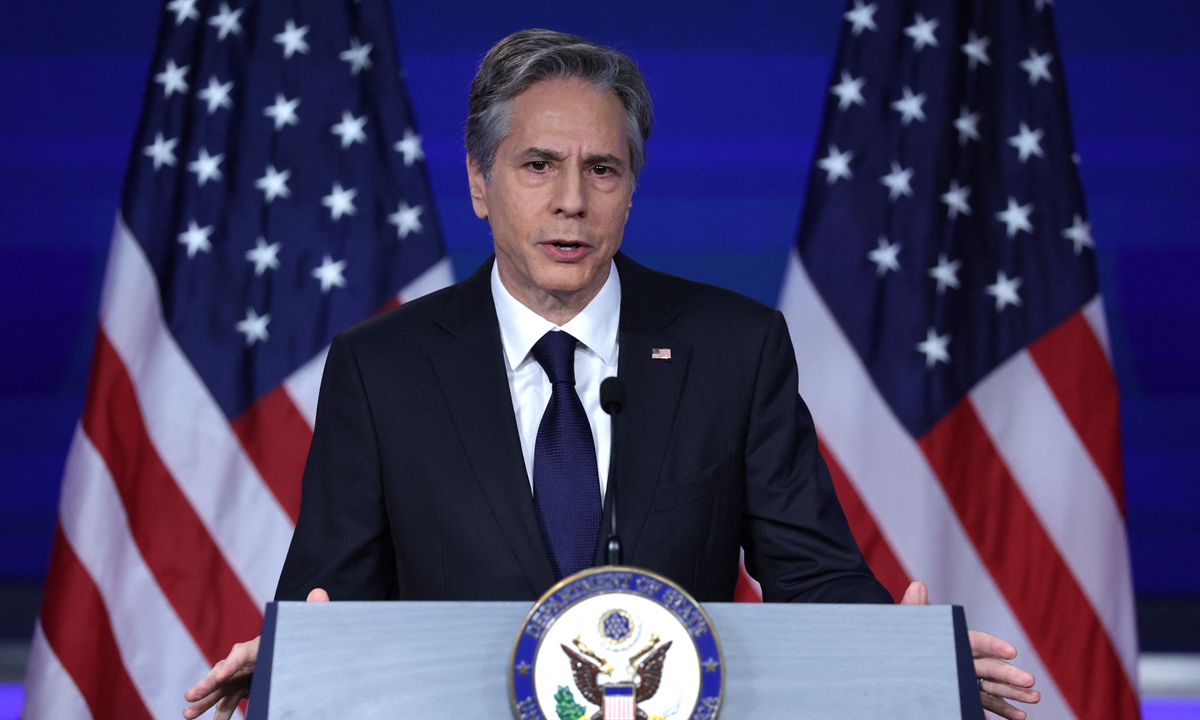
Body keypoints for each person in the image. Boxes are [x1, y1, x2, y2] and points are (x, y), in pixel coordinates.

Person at [185, 29, 1040, 720]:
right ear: (481, 184)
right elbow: (331, 596)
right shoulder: (382, 370)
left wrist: (905, 648)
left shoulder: (733, 346)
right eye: (537, 166)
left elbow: (811, 570)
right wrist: (290, 660)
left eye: (602, 170)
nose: (572, 201)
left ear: (631, 189)